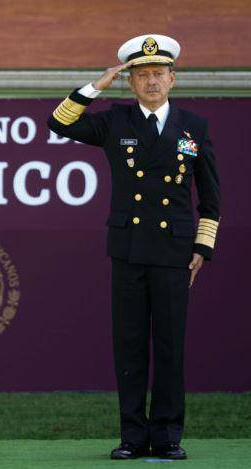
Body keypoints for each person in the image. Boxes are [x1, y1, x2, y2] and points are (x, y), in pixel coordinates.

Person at [47, 34, 220, 460]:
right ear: (130, 82)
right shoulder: (116, 121)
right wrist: (97, 85)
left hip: (174, 252)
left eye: (159, 74)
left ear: (173, 79)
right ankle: (132, 437)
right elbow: (59, 122)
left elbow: (211, 198)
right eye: (142, 76)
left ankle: (167, 436)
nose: (152, 82)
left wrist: (202, 247)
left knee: (170, 346)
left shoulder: (194, 126)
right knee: (129, 345)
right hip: (128, 250)